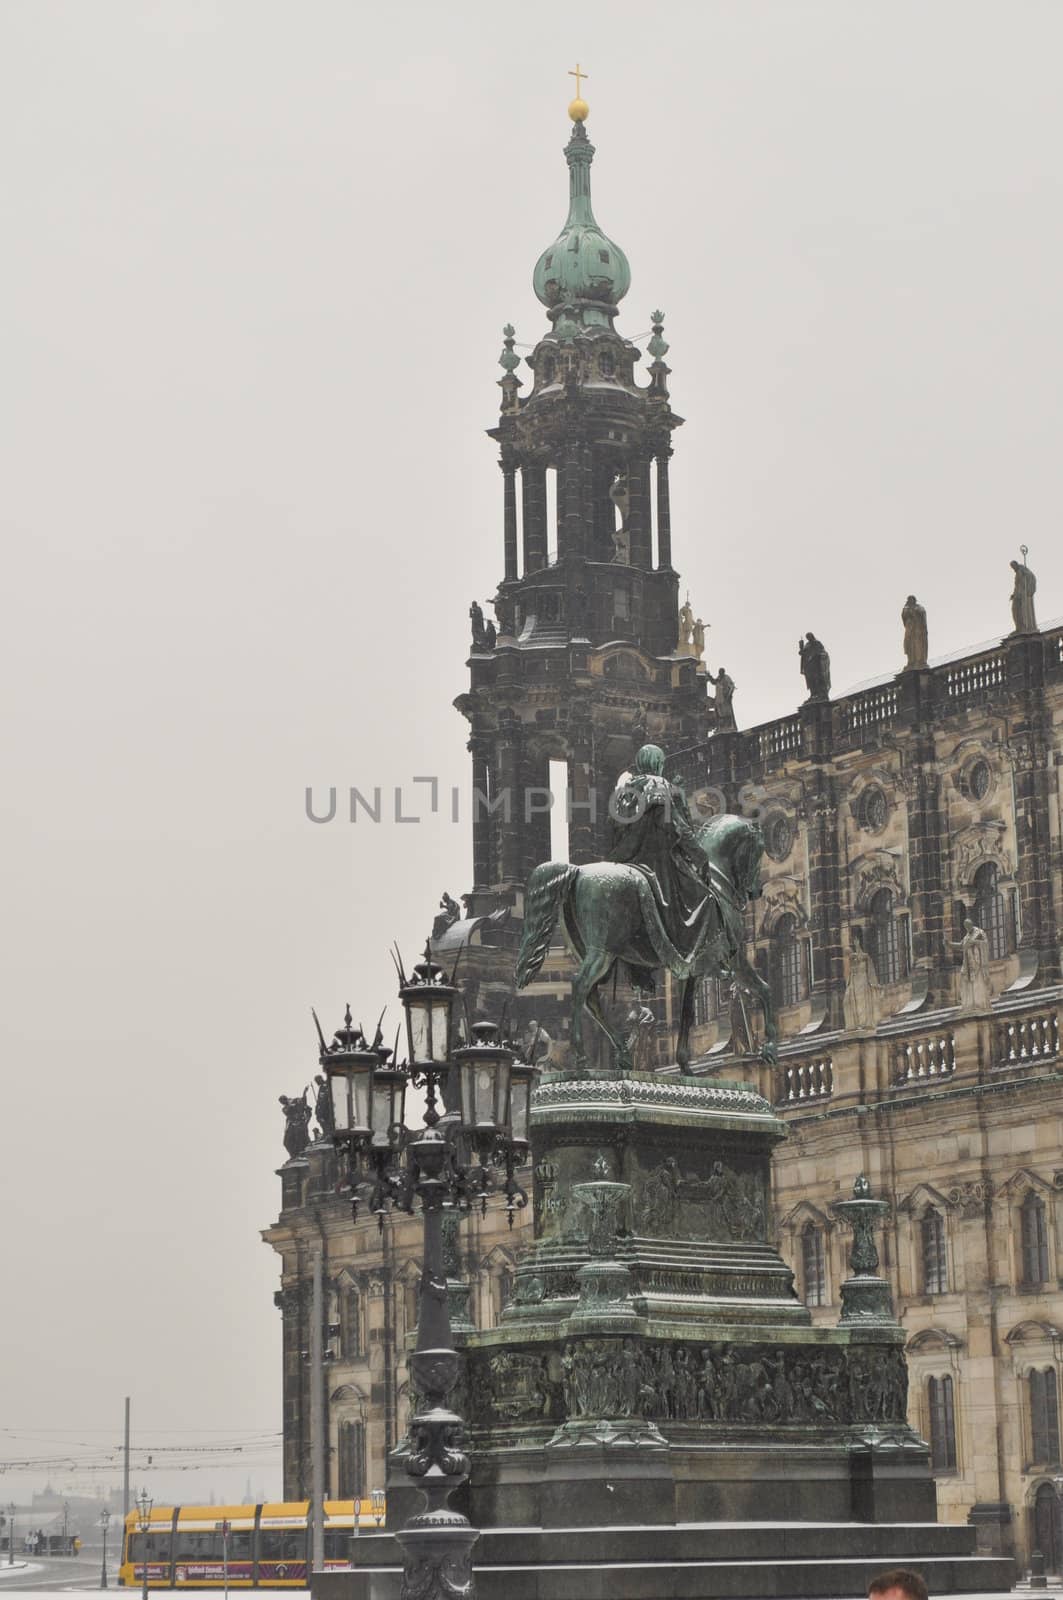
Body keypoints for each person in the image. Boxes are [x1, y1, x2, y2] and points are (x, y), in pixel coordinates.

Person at [607, 744, 710, 964]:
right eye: (661, 763)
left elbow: (613, 827)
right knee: (698, 896)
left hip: (623, 860)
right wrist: (699, 854)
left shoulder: (623, 792)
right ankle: (680, 951)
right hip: (656, 861)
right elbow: (679, 826)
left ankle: (639, 972)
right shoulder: (662, 785)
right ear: (656, 764)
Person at [953, 917, 992, 1012]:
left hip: (978, 963)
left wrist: (974, 942)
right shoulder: (967, 936)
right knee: (966, 983)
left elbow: (985, 944)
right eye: (966, 927)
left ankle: (980, 1005)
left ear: (971, 925)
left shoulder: (979, 932)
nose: (968, 929)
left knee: (978, 984)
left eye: (968, 927)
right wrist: (948, 944)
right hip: (968, 965)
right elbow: (961, 945)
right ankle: (969, 1005)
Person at [798, 632, 831, 700]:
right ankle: (813, 694)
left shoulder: (817, 643)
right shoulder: (807, 645)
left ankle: (821, 694)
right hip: (808, 666)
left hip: (816, 665)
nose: (808, 638)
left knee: (817, 679)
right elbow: (802, 654)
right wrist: (801, 646)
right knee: (810, 680)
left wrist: (814, 655)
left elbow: (822, 651)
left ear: (812, 636)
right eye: (807, 637)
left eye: (809, 636)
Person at [1010, 555, 1038, 634]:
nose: (1013, 568)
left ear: (1016, 564)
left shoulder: (1023, 570)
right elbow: (1017, 586)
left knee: (1022, 610)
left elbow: (1031, 577)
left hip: (1023, 595)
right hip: (1017, 594)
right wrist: (1013, 594)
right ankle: (1019, 627)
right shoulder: (1018, 573)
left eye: (1013, 566)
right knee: (1014, 610)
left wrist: (1027, 580)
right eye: (1012, 567)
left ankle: (1024, 627)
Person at [901, 595, 929, 670]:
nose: (909, 601)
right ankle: (911, 662)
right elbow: (904, 618)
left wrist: (913, 612)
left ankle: (920, 662)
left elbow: (922, 616)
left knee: (918, 646)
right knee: (909, 646)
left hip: (918, 631)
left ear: (914, 600)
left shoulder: (919, 608)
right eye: (908, 600)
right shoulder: (906, 608)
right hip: (910, 631)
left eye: (911, 599)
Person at [707, 666, 737, 731]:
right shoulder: (719, 678)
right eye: (719, 672)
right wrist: (709, 676)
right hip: (719, 698)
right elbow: (714, 682)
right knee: (719, 712)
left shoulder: (726, 677)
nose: (720, 673)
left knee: (726, 712)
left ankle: (728, 726)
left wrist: (729, 695)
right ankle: (721, 726)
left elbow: (732, 686)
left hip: (724, 698)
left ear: (723, 672)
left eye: (721, 672)